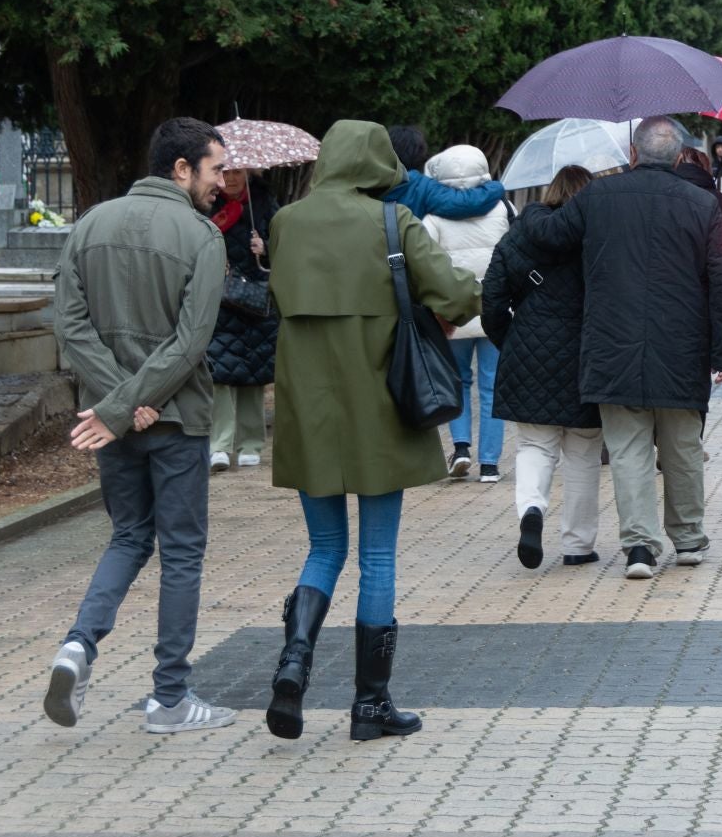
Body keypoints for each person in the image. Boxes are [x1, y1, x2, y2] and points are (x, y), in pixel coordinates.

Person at [263, 120, 481, 741]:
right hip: (381, 409)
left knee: (323, 548)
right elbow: (453, 294)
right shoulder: (392, 223)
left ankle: (294, 662)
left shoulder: (285, 224)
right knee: (377, 555)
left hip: (309, 412)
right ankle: (370, 705)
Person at [46, 117, 234, 734]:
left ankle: (77, 646)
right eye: (215, 170)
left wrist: (115, 403)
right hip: (176, 420)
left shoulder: (89, 226)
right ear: (181, 169)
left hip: (110, 420)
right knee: (181, 554)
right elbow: (190, 344)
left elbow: (71, 328)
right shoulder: (204, 238)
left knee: (128, 537)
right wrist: (133, 402)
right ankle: (170, 699)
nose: (223, 183)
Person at [521, 116, 722, 580]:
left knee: (627, 451)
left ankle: (640, 548)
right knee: (683, 448)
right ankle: (688, 539)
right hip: (683, 348)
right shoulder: (702, 204)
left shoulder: (598, 197)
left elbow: (550, 236)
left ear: (633, 155)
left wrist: (533, 211)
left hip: (611, 344)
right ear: (681, 156)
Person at [483, 165, 603, 569]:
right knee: (584, 451)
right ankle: (578, 545)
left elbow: (493, 299)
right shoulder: (599, 235)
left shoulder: (521, 232)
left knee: (535, 444)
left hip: (529, 349)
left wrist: (511, 342)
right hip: (589, 352)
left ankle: (532, 511)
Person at [422, 145, 513, 482]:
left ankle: (460, 447)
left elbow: (426, 263)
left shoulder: (432, 216)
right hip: (494, 306)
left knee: (457, 380)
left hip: (452, 310)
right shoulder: (502, 208)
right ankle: (490, 464)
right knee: (492, 385)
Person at [207, 165, 278, 473]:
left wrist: (266, 247)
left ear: (249, 172)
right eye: (226, 171)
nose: (232, 178)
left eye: (238, 172)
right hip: (217, 299)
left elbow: (287, 244)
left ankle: (250, 443)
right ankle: (219, 445)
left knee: (253, 372)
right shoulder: (208, 203)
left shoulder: (264, 203)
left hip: (255, 301)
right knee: (218, 373)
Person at [385, 124, 507, 220]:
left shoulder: (369, 181)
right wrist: (496, 187)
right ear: (419, 153)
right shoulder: (422, 187)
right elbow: (465, 203)